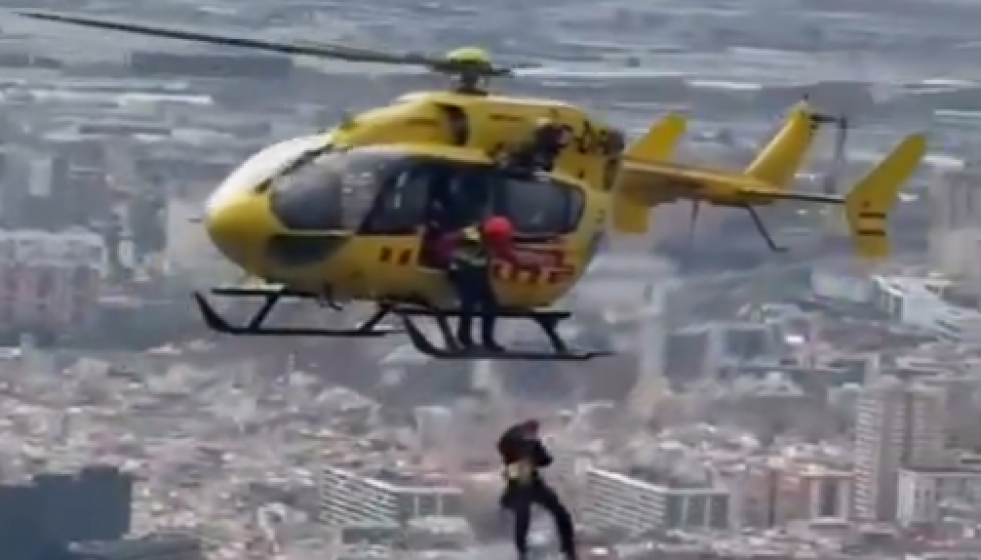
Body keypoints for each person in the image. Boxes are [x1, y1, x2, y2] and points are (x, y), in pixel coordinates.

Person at [497, 419, 577, 560]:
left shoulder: (530, 442)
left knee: (556, 512)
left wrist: (536, 453)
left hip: (531, 482)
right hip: (520, 483)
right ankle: (524, 550)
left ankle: (567, 549)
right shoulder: (517, 438)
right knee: (524, 515)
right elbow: (507, 446)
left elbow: (544, 460)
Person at [439, 215, 516, 351]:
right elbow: (444, 242)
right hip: (463, 270)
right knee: (468, 304)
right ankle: (464, 336)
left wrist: (531, 263)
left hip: (479, 271)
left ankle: (487, 339)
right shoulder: (471, 234)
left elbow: (507, 254)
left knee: (491, 304)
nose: (499, 242)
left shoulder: (494, 239)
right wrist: (448, 261)